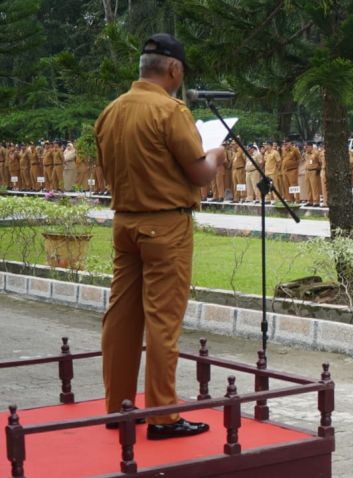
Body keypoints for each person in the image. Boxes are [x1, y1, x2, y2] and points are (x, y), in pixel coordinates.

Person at [95, 33, 225, 440]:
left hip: (125, 223)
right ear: (174, 69)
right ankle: (163, 416)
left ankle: (118, 408)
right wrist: (217, 154)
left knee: (121, 319)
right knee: (163, 322)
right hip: (165, 225)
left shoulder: (111, 111)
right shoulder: (170, 111)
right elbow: (199, 172)